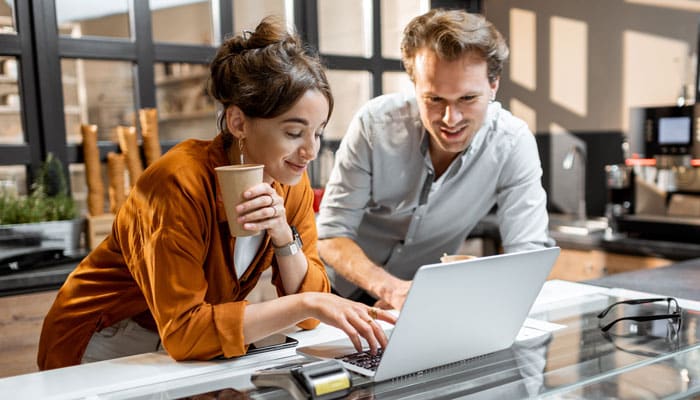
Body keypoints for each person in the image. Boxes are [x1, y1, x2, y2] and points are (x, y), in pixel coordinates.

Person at [37, 17, 395, 371]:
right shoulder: (176, 183)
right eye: (293, 132)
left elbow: (309, 315)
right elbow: (185, 330)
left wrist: (285, 237)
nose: (310, 151)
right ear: (238, 123)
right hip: (102, 338)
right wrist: (306, 304)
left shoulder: (291, 182)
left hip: (181, 346)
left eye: (317, 133)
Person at [316, 9, 553, 311]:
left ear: (493, 85)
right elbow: (331, 235)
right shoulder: (374, 125)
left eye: (467, 99)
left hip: (417, 302)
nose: (450, 119)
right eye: (434, 99)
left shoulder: (512, 143)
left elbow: (527, 255)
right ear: (414, 86)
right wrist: (391, 289)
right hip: (337, 290)